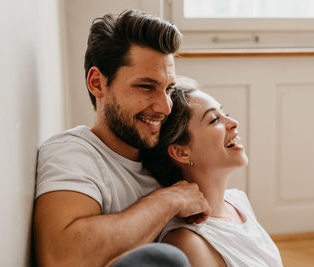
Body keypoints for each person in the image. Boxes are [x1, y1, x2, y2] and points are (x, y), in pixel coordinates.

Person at [33, 10, 211, 267]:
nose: (165, 106)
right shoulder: (72, 153)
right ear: (97, 83)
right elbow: (62, 256)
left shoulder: (162, 158)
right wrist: (170, 200)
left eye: (168, 88)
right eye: (146, 87)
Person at [141, 77, 284, 267]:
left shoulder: (237, 202)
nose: (233, 123)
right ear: (181, 152)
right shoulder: (187, 242)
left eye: (226, 113)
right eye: (214, 119)